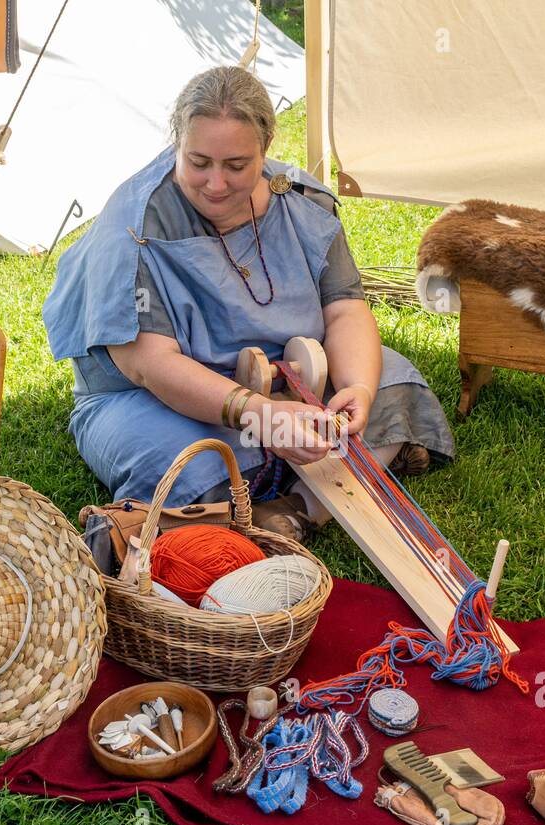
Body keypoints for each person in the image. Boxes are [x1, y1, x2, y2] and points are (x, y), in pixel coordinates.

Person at [43, 66, 455, 542]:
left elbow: (343, 309)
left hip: (285, 376)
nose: (216, 184)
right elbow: (149, 366)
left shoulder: (301, 202)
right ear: (176, 142)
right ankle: (320, 485)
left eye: (236, 166)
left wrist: (357, 391)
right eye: (198, 162)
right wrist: (261, 415)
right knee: (183, 462)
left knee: (391, 382)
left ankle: (295, 510)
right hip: (153, 399)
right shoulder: (132, 226)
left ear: (265, 149)